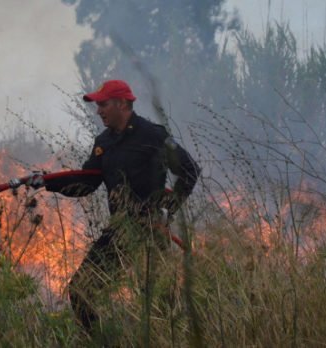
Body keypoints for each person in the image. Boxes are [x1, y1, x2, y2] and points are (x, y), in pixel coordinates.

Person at [30, 79, 200, 336]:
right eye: (97, 105)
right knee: (80, 292)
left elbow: (189, 171)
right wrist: (46, 181)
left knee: (162, 305)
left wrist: (168, 208)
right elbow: (86, 182)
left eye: (103, 104)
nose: (99, 111)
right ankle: (101, 341)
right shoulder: (104, 142)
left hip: (151, 232)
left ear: (122, 104)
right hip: (119, 231)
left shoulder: (154, 135)